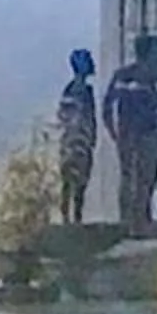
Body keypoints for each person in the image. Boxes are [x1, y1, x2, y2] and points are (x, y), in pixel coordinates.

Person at [102, 35, 157, 236]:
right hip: (131, 134)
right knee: (131, 177)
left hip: (150, 134)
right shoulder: (125, 75)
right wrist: (114, 132)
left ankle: (142, 219)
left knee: (148, 178)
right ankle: (128, 222)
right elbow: (109, 106)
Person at [55, 49, 99, 224]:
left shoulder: (75, 89)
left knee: (74, 181)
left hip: (76, 139)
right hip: (77, 140)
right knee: (75, 180)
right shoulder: (79, 90)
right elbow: (78, 116)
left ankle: (71, 216)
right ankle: (72, 217)